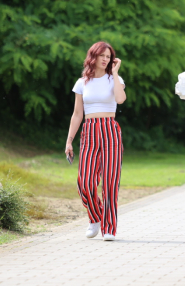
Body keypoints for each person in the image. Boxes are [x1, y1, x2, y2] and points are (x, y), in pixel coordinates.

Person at [64, 41, 126, 241]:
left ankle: (109, 228)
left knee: (110, 182)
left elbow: (120, 99)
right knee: (85, 182)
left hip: (110, 130)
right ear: (94, 56)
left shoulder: (115, 79)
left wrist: (114, 73)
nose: (106, 59)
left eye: (109, 56)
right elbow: (77, 114)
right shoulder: (82, 82)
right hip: (89, 131)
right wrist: (69, 141)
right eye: (102, 56)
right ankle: (95, 216)